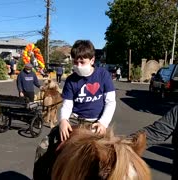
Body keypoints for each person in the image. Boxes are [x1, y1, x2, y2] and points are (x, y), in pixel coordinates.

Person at [33, 40, 116, 179]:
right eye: (75, 62)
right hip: (74, 119)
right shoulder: (71, 80)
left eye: (82, 62)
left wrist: (103, 123)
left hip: (96, 122)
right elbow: (67, 104)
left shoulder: (103, 75)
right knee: (43, 146)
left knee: (111, 156)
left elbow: (110, 102)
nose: (78, 66)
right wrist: (64, 120)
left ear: (92, 60)